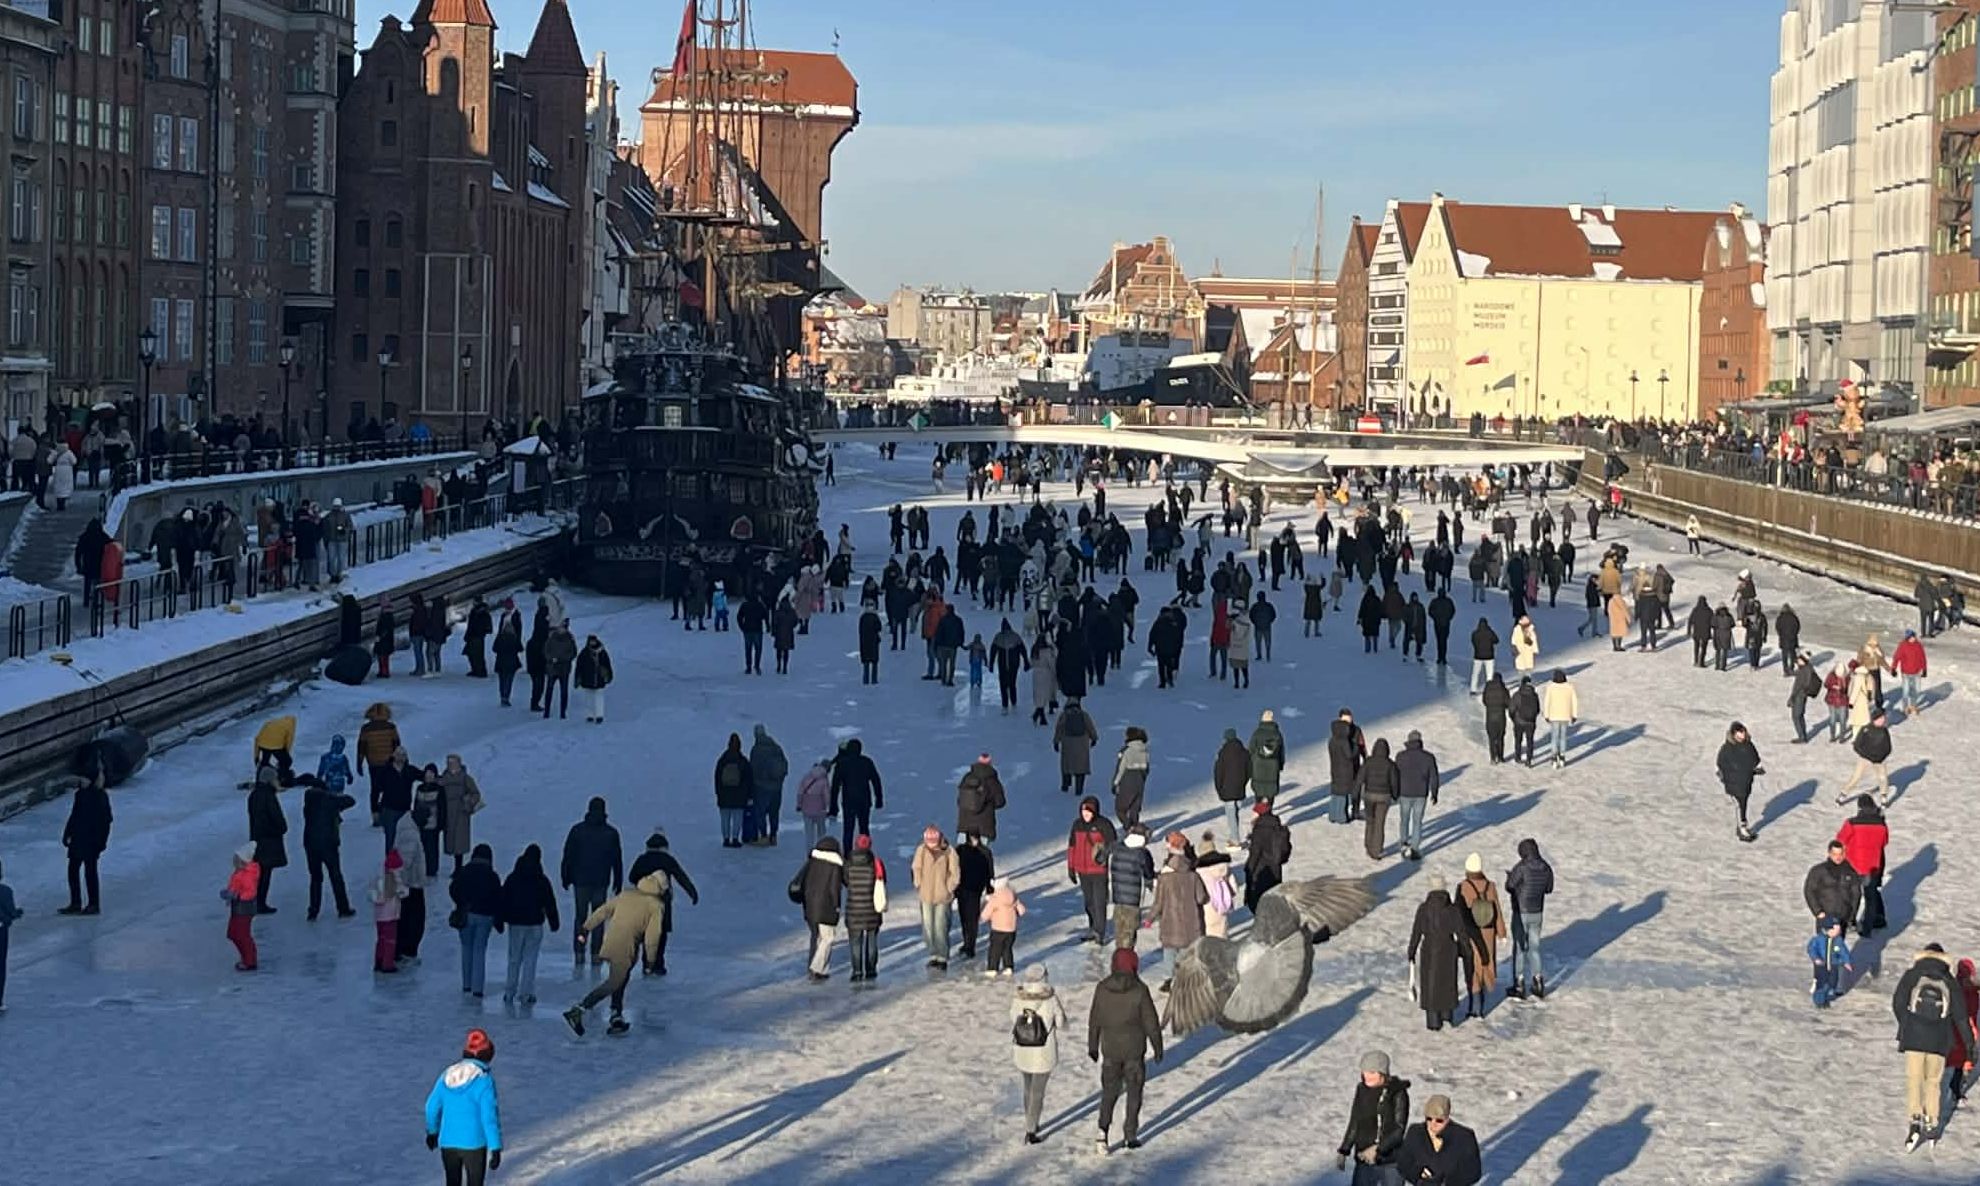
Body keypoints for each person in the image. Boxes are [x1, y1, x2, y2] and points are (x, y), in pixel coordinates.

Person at [562, 869, 666, 1036]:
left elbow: (603, 911)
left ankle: (616, 1016)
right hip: (626, 947)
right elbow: (652, 937)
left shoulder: (626, 895)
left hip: (611, 942)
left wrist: (586, 928)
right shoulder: (656, 906)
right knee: (615, 982)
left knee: (620, 979)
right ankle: (579, 1010)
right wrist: (650, 962)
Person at [1089, 947, 1163, 1154]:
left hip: (1110, 1050)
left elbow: (1095, 1020)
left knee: (1109, 1092)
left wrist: (1093, 1045)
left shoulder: (1102, 988)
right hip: (1134, 1051)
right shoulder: (1140, 990)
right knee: (1134, 1093)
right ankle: (1130, 1135)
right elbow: (1150, 1022)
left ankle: (1102, 1132)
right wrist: (1157, 1046)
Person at [1893, 944, 1962, 1149]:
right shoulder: (1949, 980)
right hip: (1939, 1040)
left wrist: (1907, 1024)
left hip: (1913, 1038)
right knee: (1933, 1082)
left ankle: (1915, 1121)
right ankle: (1931, 1122)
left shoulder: (1913, 974)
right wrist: (1968, 1044)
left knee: (1914, 1079)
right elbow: (1960, 1016)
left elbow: (1898, 1002)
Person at [423, 1029, 503, 1185]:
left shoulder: (447, 1075)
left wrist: (432, 1132)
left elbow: (431, 1106)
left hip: (448, 1142)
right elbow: (489, 1117)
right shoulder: (484, 1079)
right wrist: (495, 1147)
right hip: (474, 1144)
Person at [1408, 876, 1476, 1032]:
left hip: (1429, 951)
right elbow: (1461, 933)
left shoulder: (1423, 909)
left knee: (1431, 986)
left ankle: (1433, 1022)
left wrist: (1411, 952)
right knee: (1447, 984)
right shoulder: (1452, 910)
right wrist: (1466, 950)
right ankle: (1447, 1016)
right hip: (1448, 950)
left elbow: (1416, 932)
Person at [1011, 964, 1068, 1144]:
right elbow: (1061, 1023)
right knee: (1038, 1092)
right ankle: (1031, 1129)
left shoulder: (1018, 998)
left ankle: (1030, 1120)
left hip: (1023, 1050)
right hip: (1044, 1051)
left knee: (1028, 1088)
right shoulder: (1050, 999)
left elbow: (1013, 1018)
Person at [1336, 1050, 1411, 1183]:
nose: (1367, 1076)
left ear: (1383, 1073)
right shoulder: (1362, 1090)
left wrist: (1378, 1149)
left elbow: (1399, 1128)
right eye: (1364, 1072)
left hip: (1390, 1160)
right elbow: (1355, 1121)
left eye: (1372, 1072)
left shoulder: (1397, 1092)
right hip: (1364, 1158)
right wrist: (1344, 1149)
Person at [497, 845, 558, 1005]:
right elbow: (550, 902)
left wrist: (499, 921)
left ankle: (509, 992)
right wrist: (554, 922)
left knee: (514, 958)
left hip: (516, 923)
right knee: (530, 959)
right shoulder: (542, 880)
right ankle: (526, 993)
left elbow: (503, 900)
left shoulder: (513, 878)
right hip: (535, 923)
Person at [1147, 832, 1207, 989]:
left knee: (1169, 953)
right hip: (1191, 925)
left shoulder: (1164, 879)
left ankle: (1170, 979)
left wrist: (1149, 919)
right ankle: (1187, 981)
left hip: (1170, 924)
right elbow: (1202, 898)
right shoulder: (1193, 877)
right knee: (1187, 954)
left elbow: (1158, 903)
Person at [302, 769, 358, 919]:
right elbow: (350, 800)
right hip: (328, 843)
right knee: (335, 875)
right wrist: (333, 796)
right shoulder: (329, 799)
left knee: (315, 877)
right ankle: (343, 908)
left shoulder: (308, 801)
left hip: (310, 844)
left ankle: (313, 910)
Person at [449, 844, 503, 998]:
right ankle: (477, 988)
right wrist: (499, 920)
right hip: (485, 916)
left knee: (466, 949)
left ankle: (467, 984)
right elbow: (499, 898)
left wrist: (461, 903)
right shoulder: (492, 876)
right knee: (479, 951)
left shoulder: (464, 872)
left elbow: (453, 889)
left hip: (466, 914)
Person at [1455, 854, 1505, 1018]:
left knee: (1474, 969)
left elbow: (1458, 914)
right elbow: (1497, 910)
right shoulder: (1490, 886)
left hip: (1472, 934)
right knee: (1485, 965)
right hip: (1488, 932)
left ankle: (1475, 1007)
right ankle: (1480, 1003)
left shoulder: (1463, 887)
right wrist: (1502, 932)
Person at [1395, 1094, 1483, 1186]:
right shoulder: (1415, 1133)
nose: (1433, 1124)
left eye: (1439, 1120)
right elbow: (1403, 1162)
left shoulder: (1464, 1137)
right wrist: (1418, 1174)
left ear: (1447, 1118)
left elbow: (1473, 1172)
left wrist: (1447, 1182)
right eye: (1429, 1119)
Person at [1504, 838, 1553, 1001]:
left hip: (1521, 911)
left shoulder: (1521, 867)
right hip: (1537, 911)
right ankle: (1538, 981)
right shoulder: (1546, 867)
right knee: (1534, 948)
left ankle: (1519, 983)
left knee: (1519, 948)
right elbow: (1549, 888)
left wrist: (1510, 879)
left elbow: (1510, 886)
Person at [794, 836, 846, 982]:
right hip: (826, 907)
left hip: (810, 906)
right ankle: (817, 967)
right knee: (828, 937)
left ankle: (814, 966)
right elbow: (834, 889)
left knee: (815, 936)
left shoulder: (812, 862)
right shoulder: (835, 866)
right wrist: (836, 907)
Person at [59, 773, 113, 915]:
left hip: (92, 840)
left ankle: (93, 904)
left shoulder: (100, 796)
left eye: (82, 779)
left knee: (90, 871)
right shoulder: (80, 794)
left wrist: (101, 842)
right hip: (78, 838)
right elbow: (74, 815)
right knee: (73, 870)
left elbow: (106, 821)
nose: (80, 782)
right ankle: (75, 902)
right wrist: (67, 833)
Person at [1837, 795, 1890, 934]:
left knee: (1852, 895)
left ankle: (1850, 921)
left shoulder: (1852, 823)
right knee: (1871, 897)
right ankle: (1868, 927)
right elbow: (1884, 842)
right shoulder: (1881, 824)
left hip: (1853, 865)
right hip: (1873, 866)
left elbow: (1840, 840)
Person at [911, 826, 960, 970]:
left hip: (943, 896)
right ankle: (933, 954)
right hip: (926, 895)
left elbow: (955, 872)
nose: (930, 845)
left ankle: (942, 956)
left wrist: (949, 887)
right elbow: (916, 868)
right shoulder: (921, 850)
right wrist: (918, 883)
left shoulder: (949, 851)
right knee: (928, 927)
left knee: (940, 926)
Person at [1067, 797, 1116, 943]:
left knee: (1099, 901)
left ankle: (1099, 931)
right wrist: (1071, 867)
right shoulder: (1077, 825)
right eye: (1083, 811)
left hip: (1098, 870)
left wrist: (1103, 854)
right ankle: (1092, 927)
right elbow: (1072, 847)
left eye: (1088, 812)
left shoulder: (1104, 824)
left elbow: (1112, 843)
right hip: (1083, 871)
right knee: (1089, 902)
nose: (1086, 814)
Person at [828, 738, 884, 853]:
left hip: (848, 801)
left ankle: (847, 854)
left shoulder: (842, 764)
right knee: (864, 828)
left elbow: (835, 787)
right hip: (864, 801)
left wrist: (833, 807)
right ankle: (865, 852)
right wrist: (879, 799)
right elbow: (876, 781)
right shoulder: (866, 762)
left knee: (848, 829)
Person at [246, 765, 289, 913]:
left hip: (257, 839)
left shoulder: (254, 795)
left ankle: (256, 901)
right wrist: (281, 828)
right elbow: (276, 817)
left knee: (260, 873)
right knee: (265, 874)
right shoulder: (268, 796)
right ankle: (260, 903)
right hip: (269, 840)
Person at [1107, 825, 1156, 949]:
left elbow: (1101, 854)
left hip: (1118, 898)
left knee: (1119, 935)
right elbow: (1149, 874)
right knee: (1129, 937)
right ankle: (1125, 959)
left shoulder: (1117, 848)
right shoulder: (1142, 854)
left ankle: (1119, 957)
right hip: (1133, 901)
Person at [1835, 709, 1893, 808]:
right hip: (1865, 758)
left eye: (1883, 718)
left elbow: (1888, 747)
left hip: (1879, 760)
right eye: (1880, 718)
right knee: (1856, 777)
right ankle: (1843, 795)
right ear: (1874, 719)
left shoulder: (1884, 731)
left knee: (1883, 778)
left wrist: (1881, 757)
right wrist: (1866, 755)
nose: (1883, 720)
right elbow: (1857, 745)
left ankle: (1884, 798)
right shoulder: (1866, 729)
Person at [1803, 841, 1863, 936]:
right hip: (1825, 916)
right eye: (1835, 854)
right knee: (1824, 943)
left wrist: (1851, 916)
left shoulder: (1851, 872)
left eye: (1840, 854)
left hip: (1843, 916)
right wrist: (1818, 911)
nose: (1838, 857)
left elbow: (1856, 895)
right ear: (1829, 853)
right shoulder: (1819, 871)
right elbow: (1809, 891)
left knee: (1838, 944)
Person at [1717, 722, 1762, 843]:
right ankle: (1742, 828)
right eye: (1739, 732)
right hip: (1733, 782)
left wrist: (1756, 769)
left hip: (1745, 781)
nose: (1742, 735)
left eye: (1743, 732)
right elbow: (1721, 764)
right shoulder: (1727, 748)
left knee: (1744, 803)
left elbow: (1755, 759)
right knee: (1739, 805)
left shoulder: (1749, 745)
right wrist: (1725, 776)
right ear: (1733, 734)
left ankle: (1742, 827)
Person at [438, 755, 483, 873]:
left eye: (453, 762)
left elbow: (476, 794)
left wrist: (468, 801)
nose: (450, 765)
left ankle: (458, 867)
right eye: (448, 763)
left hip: (460, 813)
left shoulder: (465, 778)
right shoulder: (444, 778)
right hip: (447, 812)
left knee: (459, 841)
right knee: (450, 840)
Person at [1244, 802, 1292, 912]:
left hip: (1262, 870)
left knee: (1259, 903)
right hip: (1276, 870)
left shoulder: (1260, 829)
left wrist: (1249, 870)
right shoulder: (1277, 826)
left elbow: (1255, 853)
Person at [1358, 738, 1399, 862]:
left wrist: (1356, 793)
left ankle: (1368, 844)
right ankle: (1376, 850)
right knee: (1380, 823)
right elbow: (1395, 782)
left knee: (1370, 820)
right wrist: (1395, 795)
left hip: (1369, 795)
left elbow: (1360, 779)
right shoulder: (1390, 764)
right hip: (1384, 797)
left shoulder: (1368, 762)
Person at [222, 845, 261, 971]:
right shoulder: (240, 872)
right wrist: (229, 893)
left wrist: (236, 895)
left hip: (244, 908)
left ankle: (250, 960)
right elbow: (235, 886)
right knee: (233, 933)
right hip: (238, 907)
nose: (234, 862)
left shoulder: (248, 874)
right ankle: (246, 957)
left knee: (241, 935)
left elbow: (250, 892)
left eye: (236, 859)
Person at [370, 850, 409, 973]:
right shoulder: (394, 881)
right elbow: (404, 893)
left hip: (379, 917)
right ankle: (388, 964)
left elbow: (373, 896)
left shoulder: (379, 880)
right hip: (391, 916)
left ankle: (379, 960)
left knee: (381, 938)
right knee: (390, 940)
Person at [956, 753, 1007, 842]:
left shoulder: (967, 778)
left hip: (965, 826)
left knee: (962, 849)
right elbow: (1000, 802)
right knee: (980, 850)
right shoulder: (991, 780)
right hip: (984, 827)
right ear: (990, 763)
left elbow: (959, 800)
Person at [714, 733, 753, 848]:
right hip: (739, 796)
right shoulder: (743, 761)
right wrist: (749, 795)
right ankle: (735, 838)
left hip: (724, 795)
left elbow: (717, 778)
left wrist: (718, 793)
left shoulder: (722, 760)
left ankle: (726, 839)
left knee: (725, 818)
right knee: (737, 818)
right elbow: (749, 780)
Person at [1328, 708, 1367, 824]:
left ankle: (1355, 811)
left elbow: (1362, 745)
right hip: (1343, 766)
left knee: (1356, 789)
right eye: (1345, 720)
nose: (1348, 722)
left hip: (1354, 764)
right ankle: (1342, 813)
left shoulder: (1356, 730)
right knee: (1343, 791)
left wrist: (1365, 757)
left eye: (1350, 719)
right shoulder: (1339, 733)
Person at [1808, 914, 1854, 1009]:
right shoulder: (1818, 940)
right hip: (1822, 966)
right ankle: (1819, 1001)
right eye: (1835, 929)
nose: (1838, 931)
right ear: (1827, 929)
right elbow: (1812, 949)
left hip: (1833, 966)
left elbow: (1843, 952)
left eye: (1839, 929)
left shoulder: (1838, 941)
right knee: (1822, 984)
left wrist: (1846, 962)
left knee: (1832, 984)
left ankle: (1826, 998)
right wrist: (1815, 958)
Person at [982, 875, 1025, 977]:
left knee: (995, 950)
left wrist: (983, 918)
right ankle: (1008, 967)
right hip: (1011, 930)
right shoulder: (1014, 898)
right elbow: (1022, 910)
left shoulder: (995, 899)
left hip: (998, 929)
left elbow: (986, 914)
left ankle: (992, 968)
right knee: (1007, 949)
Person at [1213, 727, 1250, 841]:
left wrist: (1219, 788)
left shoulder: (1222, 753)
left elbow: (1218, 772)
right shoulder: (1244, 752)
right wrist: (1244, 782)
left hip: (1227, 789)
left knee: (1231, 816)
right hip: (1240, 788)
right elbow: (1249, 770)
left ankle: (1235, 840)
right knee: (1235, 814)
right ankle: (1234, 836)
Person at [1112, 726, 1151, 828]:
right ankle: (1135, 827)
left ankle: (1128, 826)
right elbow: (1147, 769)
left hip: (1127, 780)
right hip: (1140, 781)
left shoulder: (1126, 750)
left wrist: (1115, 783)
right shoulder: (1145, 751)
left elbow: (1121, 768)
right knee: (1135, 808)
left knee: (1120, 809)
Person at [1540, 669, 1578, 768]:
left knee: (1554, 737)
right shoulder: (1569, 687)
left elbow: (1547, 702)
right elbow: (1574, 701)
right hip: (1565, 715)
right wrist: (1574, 715)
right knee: (1563, 737)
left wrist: (1546, 715)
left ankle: (1554, 757)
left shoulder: (1551, 688)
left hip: (1554, 715)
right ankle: (1562, 756)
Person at [573, 635, 614, 724]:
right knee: (589, 698)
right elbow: (579, 667)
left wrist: (609, 675)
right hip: (587, 679)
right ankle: (590, 715)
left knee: (599, 697)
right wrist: (578, 678)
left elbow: (607, 665)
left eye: (593, 641)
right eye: (591, 641)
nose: (592, 643)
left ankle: (599, 715)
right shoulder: (584, 653)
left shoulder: (602, 653)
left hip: (599, 678)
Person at [1249, 710, 1285, 805]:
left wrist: (1250, 766)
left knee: (1259, 790)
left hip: (1258, 766)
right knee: (1270, 791)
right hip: (1273, 766)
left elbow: (1251, 750)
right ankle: (1268, 810)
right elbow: (1281, 752)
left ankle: (1259, 809)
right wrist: (1280, 765)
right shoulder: (1277, 734)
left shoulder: (1257, 733)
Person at [541, 621, 577, 718]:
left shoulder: (570, 639)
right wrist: (551, 658)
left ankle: (563, 712)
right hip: (552, 668)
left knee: (564, 691)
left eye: (562, 628)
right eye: (559, 627)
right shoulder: (551, 638)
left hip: (564, 668)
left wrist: (563, 659)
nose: (560, 629)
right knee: (549, 690)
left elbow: (573, 653)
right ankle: (546, 711)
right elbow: (546, 651)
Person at [1891, 629, 1928, 716]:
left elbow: (1922, 657)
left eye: (1914, 636)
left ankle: (1913, 706)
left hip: (1916, 672)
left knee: (1916, 690)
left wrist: (1924, 669)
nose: (1913, 639)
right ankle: (1905, 708)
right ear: (1907, 638)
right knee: (1906, 691)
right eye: (1911, 637)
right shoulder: (1903, 645)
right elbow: (1897, 657)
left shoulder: (1918, 645)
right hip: (1906, 673)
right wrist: (1893, 668)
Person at [1788, 655, 1823, 743]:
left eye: (1800, 660)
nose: (1798, 662)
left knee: (1796, 716)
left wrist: (1793, 697)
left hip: (1800, 696)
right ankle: (1802, 736)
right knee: (1799, 716)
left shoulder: (1805, 670)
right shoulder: (1805, 669)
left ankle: (1802, 737)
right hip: (1800, 695)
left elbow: (1800, 685)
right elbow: (1793, 673)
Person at [1467, 619, 1497, 694]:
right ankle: (1489, 689)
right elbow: (1496, 640)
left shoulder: (1475, 633)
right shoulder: (1490, 633)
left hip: (1478, 656)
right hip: (1489, 656)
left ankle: (1473, 689)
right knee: (1489, 675)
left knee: (1475, 674)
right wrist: (1491, 630)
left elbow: (1473, 642)